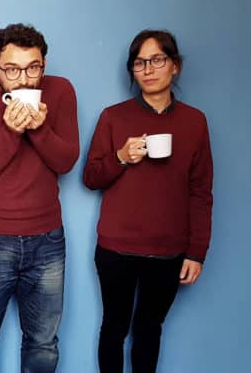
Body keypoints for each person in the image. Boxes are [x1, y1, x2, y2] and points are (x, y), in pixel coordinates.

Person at [83, 29, 213, 373]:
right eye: (140, 63)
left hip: (169, 251)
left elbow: (201, 191)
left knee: (149, 330)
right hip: (116, 248)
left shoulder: (195, 122)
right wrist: (122, 156)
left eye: (157, 60)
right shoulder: (113, 116)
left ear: (175, 66)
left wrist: (196, 252)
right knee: (114, 327)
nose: (148, 69)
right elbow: (91, 177)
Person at [0, 23, 79, 373]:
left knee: (43, 343)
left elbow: (66, 162)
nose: (24, 79)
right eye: (12, 70)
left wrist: (38, 128)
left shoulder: (61, 92)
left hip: (47, 241)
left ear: (43, 64)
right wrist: (11, 131)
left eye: (33, 67)